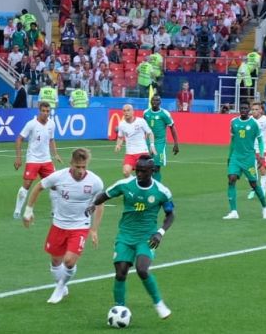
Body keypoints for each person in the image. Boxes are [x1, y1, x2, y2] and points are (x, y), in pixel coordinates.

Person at [86, 155, 174, 319]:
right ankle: (119, 309)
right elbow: (105, 195)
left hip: (146, 237)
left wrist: (160, 233)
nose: (139, 174)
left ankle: (159, 303)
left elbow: (170, 215)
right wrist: (93, 205)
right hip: (125, 235)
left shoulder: (162, 192)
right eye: (137, 170)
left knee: (142, 269)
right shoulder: (125, 185)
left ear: (152, 171)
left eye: (143, 171)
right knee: (121, 272)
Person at [22, 148, 104, 304]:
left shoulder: (95, 182)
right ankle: (62, 285)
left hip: (80, 226)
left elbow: (100, 204)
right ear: (71, 163)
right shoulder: (59, 177)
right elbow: (38, 187)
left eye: (84, 167)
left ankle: (60, 287)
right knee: (55, 262)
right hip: (58, 225)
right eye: (78, 166)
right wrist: (28, 211)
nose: (81, 171)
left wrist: (94, 229)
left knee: (69, 261)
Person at [13, 101, 63, 219]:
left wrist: (55, 154)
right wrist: (19, 158)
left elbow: (51, 140)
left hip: (46, 160)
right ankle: (17, 211)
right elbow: (19, 139)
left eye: (48, 111)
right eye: (43, 111)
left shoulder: (52, 124)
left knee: (54, 185)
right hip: (33, 160)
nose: (46, 113)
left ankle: (55, 212)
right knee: (27, 184)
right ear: (39, 111)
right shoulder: (31, 124)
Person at [223, 102, 266, 220]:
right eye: (242, 108)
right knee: (231, 179)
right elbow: (232, 141)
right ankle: (234, 211)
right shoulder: (234, 122)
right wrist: (229, 156)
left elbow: (260, 140)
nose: (243, 110)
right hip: (235, 157)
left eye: (246, 108)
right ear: (239, 109)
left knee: (253, 184)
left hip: (248, 158)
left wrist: (262, 156)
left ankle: (265, 207)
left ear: (248, 110)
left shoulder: (254, 124)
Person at [143, 95, 180, 182]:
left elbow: (172, 128)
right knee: (145, 166)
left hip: (160, 142)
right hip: (148, 142)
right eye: (153, 100)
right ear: (150, 101)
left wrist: (176, 143)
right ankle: (146, 186)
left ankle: (157, 187)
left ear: (160, 102)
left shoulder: (164, 114)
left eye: (157, 101)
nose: (155, 102)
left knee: (156, 167)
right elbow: (143, 127)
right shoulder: (146, 113)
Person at [115, 104, 156, 177]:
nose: (126, 112)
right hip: (130, 153)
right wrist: (118, 145)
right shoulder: (121, 124)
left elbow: (150, 133)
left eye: (128, 110)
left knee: (144, 174)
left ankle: (142, 184)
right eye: (124, 111)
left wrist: (152, 145)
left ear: (133, 111)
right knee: (126, 172)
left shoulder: (141, 121)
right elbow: (120, 137)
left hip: (142, 152)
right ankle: (135, 182)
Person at [248, 102, 266, 200]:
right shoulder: (249, 120)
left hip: (262, 149)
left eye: (256, 109)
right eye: (253, 109)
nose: (254, 111)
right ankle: (253, 188)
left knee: (262, 170)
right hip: (250, 149)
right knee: (250, 171)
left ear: (261, 110)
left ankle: (263, 192)